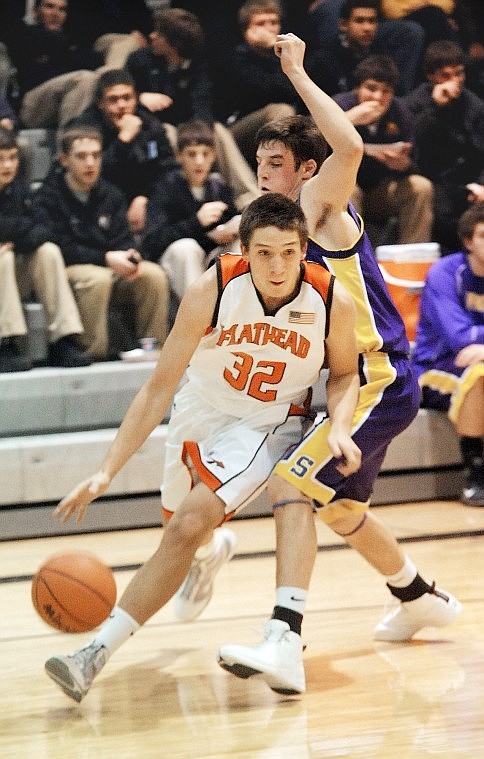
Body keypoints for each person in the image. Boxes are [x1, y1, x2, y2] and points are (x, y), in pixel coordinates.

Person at [170, 33, 460, 696]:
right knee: (338, 508)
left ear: (304, 170)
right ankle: (419, 596)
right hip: (348, 383)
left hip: (376, 375)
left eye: (275, 162)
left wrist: (297, 73)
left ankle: (285, 640)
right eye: (260, 163)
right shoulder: (278, 233)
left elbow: (350, 147)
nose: (265, 172)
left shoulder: (320, 207)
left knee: (290, 485)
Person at [43, 191, 362, 702]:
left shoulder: (331, 300)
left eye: (287, 252)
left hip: (268, 421)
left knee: (187, 524)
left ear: (305, 249)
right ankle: (210, 554)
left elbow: (345, 373)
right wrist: (107, 471)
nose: (277, 266)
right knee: (181, 526)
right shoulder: (214, 287)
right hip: (199, 408)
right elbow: (159, 386)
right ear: (242, 249)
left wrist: (341, 426)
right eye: (263, 253)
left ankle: (93, 654)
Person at [31, 125, 169, 360]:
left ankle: (152, 349)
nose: (90, 163)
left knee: (152, 274)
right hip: (69, 268)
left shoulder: (110, 194)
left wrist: (130, 257)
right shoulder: (48, 196)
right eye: (82, 156)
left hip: (109, 264)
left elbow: (123, 238)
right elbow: (58, 246)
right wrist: (105, 258)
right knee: (96, 279)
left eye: (95, 155)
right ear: (64, 160)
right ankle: (93, 353)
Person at [125, 6, 259, 213]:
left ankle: (249, 196)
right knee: (167, 132)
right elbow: (122, 97)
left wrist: (195, 132)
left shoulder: (198, 65)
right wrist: (140, 98)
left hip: (187, 127)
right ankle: (183, 195)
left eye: (159, 34)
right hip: (153, 129)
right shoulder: (139, 60)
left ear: (175, 43)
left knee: (217, 131)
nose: (152, 36)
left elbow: (202, 106)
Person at [0, 125, 90, 372]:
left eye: (12, 158)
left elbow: (45, 227)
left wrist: (15, 239)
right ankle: (5, 343)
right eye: (1, 159)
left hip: (15, 274)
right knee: (3, 258)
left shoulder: (19, 188)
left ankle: (62, 339)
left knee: (48, 251)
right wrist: (19, 230)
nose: (8, 166)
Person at [411, 201, 484, 507]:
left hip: (474, 363)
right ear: (469, 241)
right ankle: (476, 476)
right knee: (479, 375)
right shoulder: (445, 273)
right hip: (434, 368)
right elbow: (459, 338)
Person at [333, 54, 433, 245]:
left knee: (420, 187)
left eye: (386, 91)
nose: (378, 97)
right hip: (344, 184)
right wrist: (349, 119)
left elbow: (417, 160)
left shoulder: (400, 112)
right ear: (357, 87)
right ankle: (351, 260)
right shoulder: (340, 104)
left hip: (381, 187)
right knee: (349, 192)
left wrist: (404, 165)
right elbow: (309, 134)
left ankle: (412, 259)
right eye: (370, 88)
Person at [141, 120, 241, 302]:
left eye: (205, 154)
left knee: (242, 238)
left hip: (209, 256)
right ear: (179, 156)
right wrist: (197, 223)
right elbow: (152, 242)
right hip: (175, 260)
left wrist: (227, 231)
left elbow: (228, 224)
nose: (199, 161)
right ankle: (198, 321)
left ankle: (234, 314)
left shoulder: (219, 187)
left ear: (214, 156)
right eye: (192, 154)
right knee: (187, 248)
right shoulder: (165, 188)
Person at [70, 68, 176, 235]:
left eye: (127, 98)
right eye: (113, 100)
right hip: (99, 207)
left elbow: (168, 170)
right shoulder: (85, 128)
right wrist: (123, 140)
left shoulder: (149, 125)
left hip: (144, 204)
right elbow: (90, 175)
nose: (122, 106)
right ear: (100, 103)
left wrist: (145, 198)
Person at [403, 40, 484, 254]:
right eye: (445, 76)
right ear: (431, 76)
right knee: (444, 214)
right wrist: (434, 108)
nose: (455, 82)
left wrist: (479, 185)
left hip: (469, 183)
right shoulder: (415, 103)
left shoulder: (473, 104)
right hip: (434, 182)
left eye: (459, 74)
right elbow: (412, 145)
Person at [6, 0, 104, 129]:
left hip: (67, 97)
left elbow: (96, 61)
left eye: (62, 9)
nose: (56, 14)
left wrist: (63, 53)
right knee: (84, 78)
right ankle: (70, 143)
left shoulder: (71, 38)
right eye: (49, 7)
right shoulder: (23, 35)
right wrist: (69, 54)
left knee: (101, 77)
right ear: (35, 10)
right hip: (31, 104)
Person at [227, 0, 300, 169]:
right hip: (239, 130)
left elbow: (297, 93)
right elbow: (264, 91)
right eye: (260, 23)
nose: (269, 28)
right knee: (281, 110)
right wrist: (272, 52)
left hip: (280, 127)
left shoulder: (286, 56)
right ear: (247, 30)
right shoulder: (236, 58)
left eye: (273, 23)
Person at [303, 0, 425, 95]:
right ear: (343, 25)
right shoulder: (323, 60)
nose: (367, 28)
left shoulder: (381, 55)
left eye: (372, 21)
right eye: (359, 21)